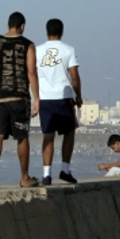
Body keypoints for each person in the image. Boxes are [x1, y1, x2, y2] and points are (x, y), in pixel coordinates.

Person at [0, 11, 40, 189]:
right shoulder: (28, 45)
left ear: (8, 25)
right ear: (22, 26)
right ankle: (24, 177)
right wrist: (37, 98)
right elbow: (31, 72)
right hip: (19, 97)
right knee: (22, 137)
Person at [35, 18, 81, 185]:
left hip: (45, 98)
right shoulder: (68, 49)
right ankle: (65, 170)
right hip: (63, 97)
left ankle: (46, 174)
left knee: (48, 135)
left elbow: (32, 75)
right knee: (69, 131)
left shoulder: (37, 51)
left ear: (47, 32)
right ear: (62, 32)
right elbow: (74, 76)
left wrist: (35, 98)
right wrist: (79, 96)